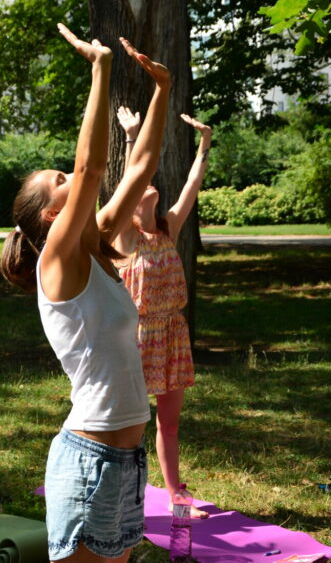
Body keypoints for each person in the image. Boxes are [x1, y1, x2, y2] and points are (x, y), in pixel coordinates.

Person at [0, 25, 170, 562]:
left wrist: (163, 90)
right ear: (52, 215)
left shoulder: (95, 246)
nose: (70, 177)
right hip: (90, 459)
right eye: (58, 178)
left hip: (126, 458)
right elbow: (91, 167)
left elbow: (139, 167)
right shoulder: (56, 259)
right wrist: (100, 69)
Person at [111, 107, 211, 518]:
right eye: (141, 184)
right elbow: (130, 177)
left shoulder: (167, 226)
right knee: (127, 427)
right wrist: (132, 136)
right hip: (136, 337)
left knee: (169, 425)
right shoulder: (123, 236)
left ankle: (175, 493)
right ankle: (119, 492)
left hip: (172, 333)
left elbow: (192, 185)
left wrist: (205, 143)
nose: (148, 184)